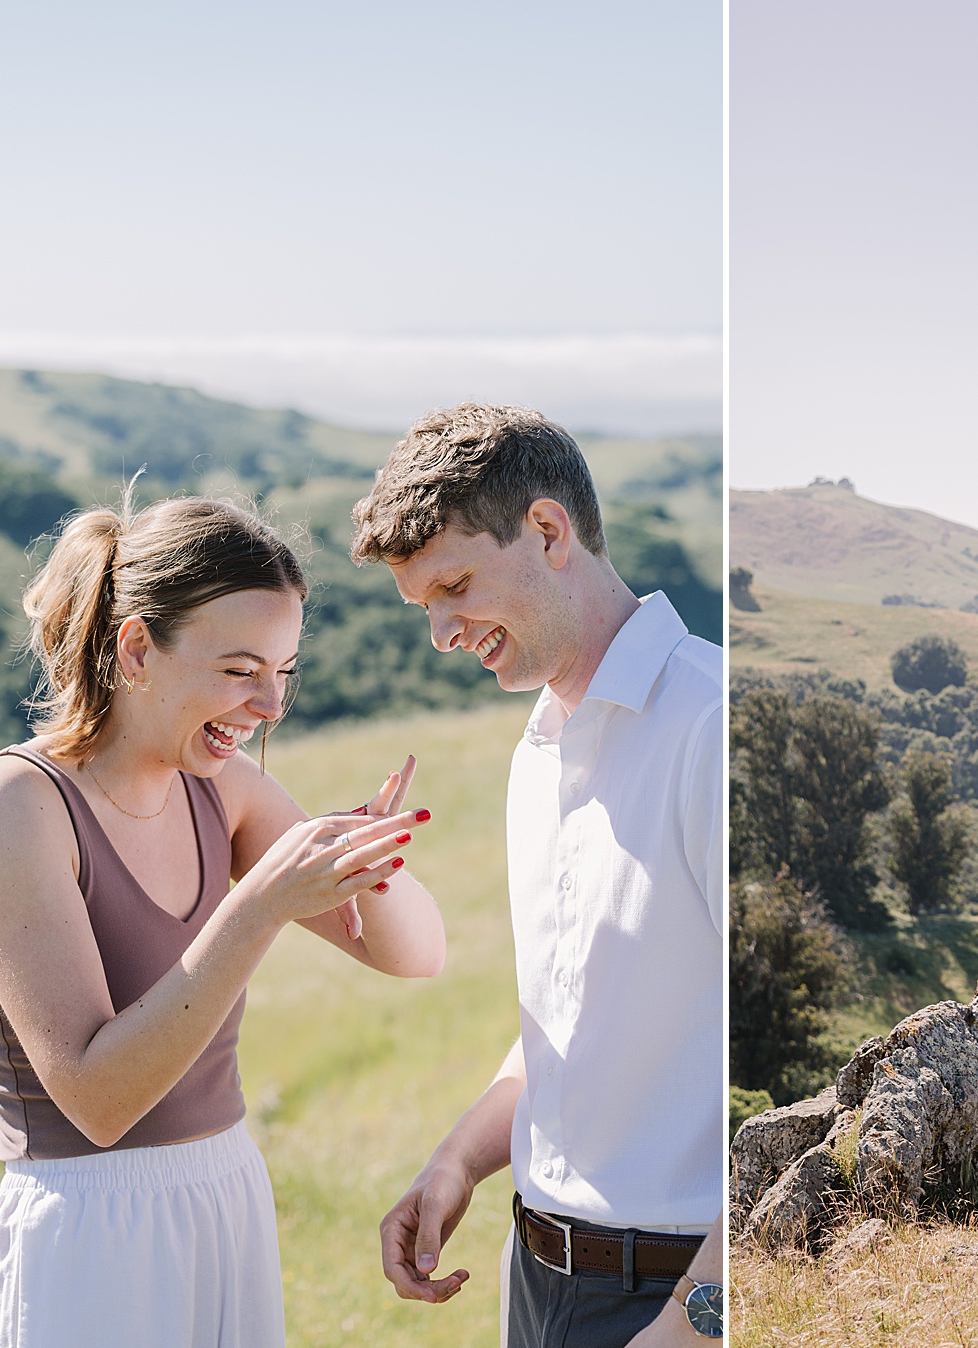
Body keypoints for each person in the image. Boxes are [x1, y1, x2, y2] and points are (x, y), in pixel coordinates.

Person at [0, 493, 449, 1347]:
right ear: (137, 647)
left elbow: (417, 956)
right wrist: (257, 907)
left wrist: (370, 864)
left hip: (223, 1202)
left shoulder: (221, 789)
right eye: (241, 670)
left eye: (285, 673)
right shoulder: (13, 806)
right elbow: (99, 1101)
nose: (270, 707)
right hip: (85, 1238)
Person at [362, 405, 724, 1346]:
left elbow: (788, 1087)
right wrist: (457, 1163)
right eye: (424, 608)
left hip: (674, 1301)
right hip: (536, 1287)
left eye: (454, 586)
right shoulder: (538, 751)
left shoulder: (715, 728)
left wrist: (696, 1324)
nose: (442, 632)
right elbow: (566, 1023)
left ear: (550, 532)